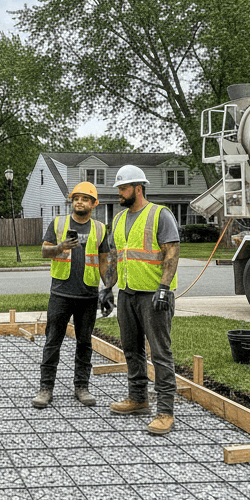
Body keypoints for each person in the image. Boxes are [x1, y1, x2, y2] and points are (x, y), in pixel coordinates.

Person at [106, 165, 181, 434]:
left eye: (123, 189)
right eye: (118, 189)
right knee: (131, 349)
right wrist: (107, 287)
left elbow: (171, 252)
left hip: (153, 295)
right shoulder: (118, 220)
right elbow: (116, 255)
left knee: (160, 353)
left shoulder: (161, 215)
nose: (119, 194)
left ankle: (165, 411)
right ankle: (138, 399)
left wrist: (163, 288)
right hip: (127, 294)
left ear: (138, 188)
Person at [32, 181, 111, 409]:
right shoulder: (58, 223)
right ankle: (46, 388)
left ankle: (82, 387)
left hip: (87, 295)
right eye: (76, 197)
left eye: (85, 198)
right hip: (61, 294)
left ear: (94, 204)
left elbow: (104, 261)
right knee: (52, 342)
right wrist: (60, 247)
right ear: (72, 201)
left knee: (85, 343)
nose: (79, 201)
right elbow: (44, 250)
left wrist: (108, 290)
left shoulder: (100, 229)